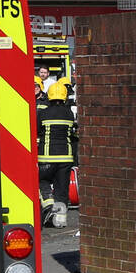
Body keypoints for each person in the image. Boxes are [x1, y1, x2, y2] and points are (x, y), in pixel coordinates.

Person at [38, 80, 77, 228]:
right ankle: (59, 220)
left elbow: (38, 132)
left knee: (42, 181)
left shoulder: (43, 113)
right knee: (62, 188)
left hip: (46, 156)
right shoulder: (68, 114)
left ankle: (48, 204)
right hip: (65, 157)